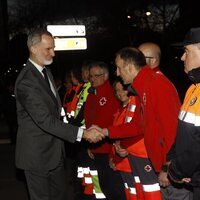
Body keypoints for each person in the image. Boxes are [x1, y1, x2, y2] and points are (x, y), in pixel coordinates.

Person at [14, 29, 104, 200]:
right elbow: (45, 120)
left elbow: (57, 111)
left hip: (54, 153)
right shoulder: (27, 81)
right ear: (33, 48)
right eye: (48, 49)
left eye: (53, 48)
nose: (53, 53)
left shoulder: (45, 72)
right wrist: (82, 133)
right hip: (36, 156)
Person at [93, 47, 190, 199]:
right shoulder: (143, 87)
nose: (117, 73)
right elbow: (138, 126)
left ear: (130, 67)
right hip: (159, 166)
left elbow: (172, 131)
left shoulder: (157, 85)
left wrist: (167, 167)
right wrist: (106, 131)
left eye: (119, 68)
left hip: (170, 169)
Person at [109, 78, 162, 200]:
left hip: (136, 158)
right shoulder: (120, 110)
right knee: (133, 194)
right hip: (124, 162)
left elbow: (133, 131)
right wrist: (113, 157)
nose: (120, 93)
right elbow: (116, 140)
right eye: (117, 91)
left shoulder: (136, 105)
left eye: (123, 90)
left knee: (148, 191)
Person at [84, 61, 126, 200]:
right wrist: (90, 145)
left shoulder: (113, 94)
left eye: (97, 75)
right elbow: (90, 122)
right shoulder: (91, 95)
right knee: (104, 187)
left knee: (114, 188)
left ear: (106, 76)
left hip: (109, 150)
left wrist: (113, 154)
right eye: (91, 76)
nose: (93, 79)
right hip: (96, 149)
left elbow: (116, 125)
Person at [167, 27, 200, 200]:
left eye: (187, 51)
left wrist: (177, 170)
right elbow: (184, 134)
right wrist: (172, 159)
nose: (182, 57)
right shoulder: (193, 88)